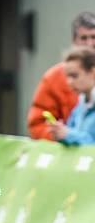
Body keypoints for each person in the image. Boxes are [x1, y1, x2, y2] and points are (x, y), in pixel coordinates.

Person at [28, 11, 95, 140]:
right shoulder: (54, 78)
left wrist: (68, 136)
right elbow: (38, 124)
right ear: (74, 40)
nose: (89, 43)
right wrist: (60, 137)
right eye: (84, 38)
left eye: (93, 37)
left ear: (91, 72)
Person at [48, 46, 95, 144]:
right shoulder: (79, 108)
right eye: (67, 76)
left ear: (92, 72)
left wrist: (67, 134)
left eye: (74, 76)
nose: (69, 82)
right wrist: (61, 135)